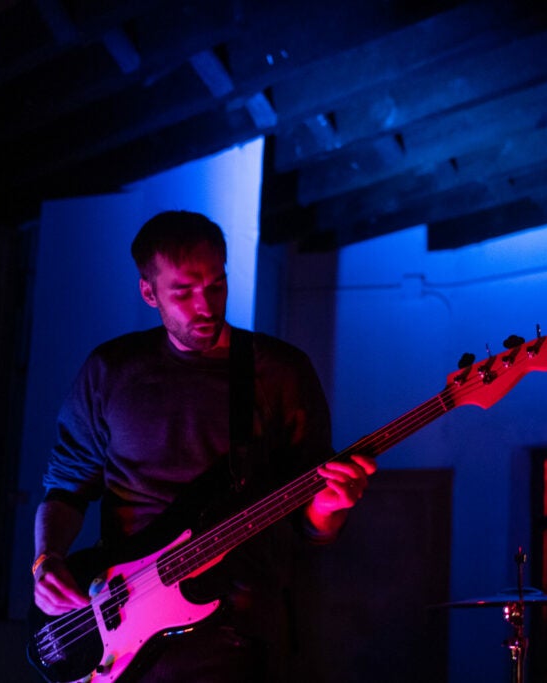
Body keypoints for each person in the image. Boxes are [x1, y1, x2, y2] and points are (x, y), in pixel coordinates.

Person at [31, 210, 375, 682]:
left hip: (236, 635)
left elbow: (310, 522)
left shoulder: (279, 372)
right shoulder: (110, 371)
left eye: (217, 284)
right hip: (122, 638)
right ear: (149, 292)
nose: (207, 305)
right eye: (184, 291)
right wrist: (47, 558)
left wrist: (330, 509)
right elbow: (66, 488)